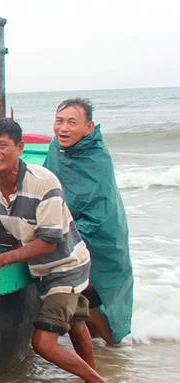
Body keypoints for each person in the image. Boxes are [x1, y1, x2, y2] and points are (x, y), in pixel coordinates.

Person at [0, 118, 106, 383]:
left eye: (3, 145)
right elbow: (16, 233)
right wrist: (0, 258)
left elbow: (49, 241)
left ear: (20, 147)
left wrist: (2, 259)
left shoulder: (43, 182)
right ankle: (91, 376)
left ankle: (96, 381)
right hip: (40, 268)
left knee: (44, 344)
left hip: (66, 265)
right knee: (76, 321)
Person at [42, 98, 133, 345]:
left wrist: (64, 235)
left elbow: (100, 212)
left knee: (98, 299)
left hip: (101, 238)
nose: (63, 128)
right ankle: (97, 352)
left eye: (72, 122)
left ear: (89, 127)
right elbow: (46, 188)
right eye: (59, 121)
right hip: (69, 234)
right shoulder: (55, 149)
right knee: (81, 300)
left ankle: (116, 353)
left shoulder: (98, 158)